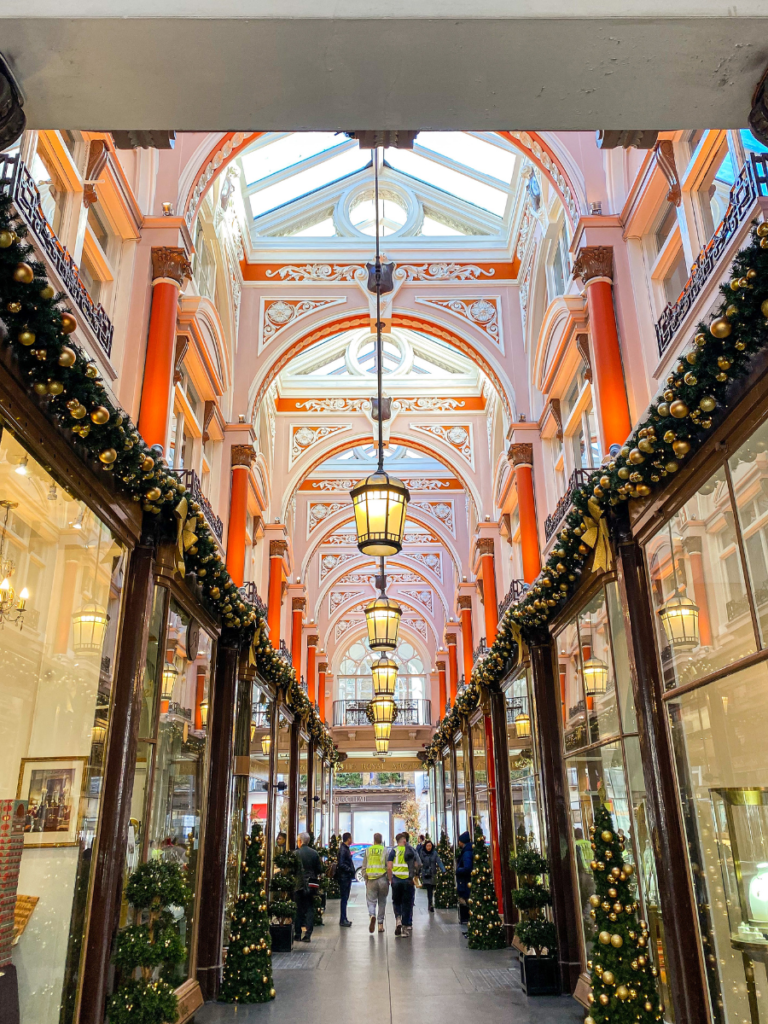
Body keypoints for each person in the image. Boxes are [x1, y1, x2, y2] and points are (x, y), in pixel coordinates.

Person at [387, 831, 421, 937]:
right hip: (408, 881)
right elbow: (418, 864)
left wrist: (390, 879)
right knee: (407, 903)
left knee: (396, 902)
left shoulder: (394, 851)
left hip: (396, 881)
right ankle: (405, 929)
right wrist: (415, 874)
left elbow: (389, 867)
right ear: (405, 841)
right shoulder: (411, 850)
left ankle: (398, 919)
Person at [294, 831, 323, 942]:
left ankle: (297, 934)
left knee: (298, 909)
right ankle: (308, 934)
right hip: (311, 884)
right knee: (309, 908)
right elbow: (319, 869)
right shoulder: (314, 853)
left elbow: (293, 869)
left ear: (300, 841)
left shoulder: (296, 854)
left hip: (299, 884)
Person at [362, 832, 389, 933]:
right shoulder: (385, 850)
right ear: (381, 840)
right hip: (382, 879)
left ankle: (372, 915)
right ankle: (380, 925)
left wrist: (366, 878)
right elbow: (388, 865)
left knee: (371, 901)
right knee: (382, 902)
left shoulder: (368, 850)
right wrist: (388, 879)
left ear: (374, 840)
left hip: (371, 880)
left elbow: (364, 866)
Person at [419, 838, 444, 912]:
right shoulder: (422, 853)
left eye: (430, 846)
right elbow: (419, 863)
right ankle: (430, 904)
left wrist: (443, 869)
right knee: (429, 889)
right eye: (427, 846)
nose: (429, 847)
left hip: (433, 874)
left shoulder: (434, 853)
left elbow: (439, 862)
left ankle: (430, 903)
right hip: (426, 874)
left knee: (432, 889)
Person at [455, 831, 473, 922]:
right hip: (465, 881)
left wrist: (458, 870)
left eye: (459, 841)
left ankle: (465, 918)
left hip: (465, 881)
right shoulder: (468, 851)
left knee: (464, 899)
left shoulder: (466, 853)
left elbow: (467, 867)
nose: (458, 843)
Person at [338, 831, 355, 927]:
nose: (352, 840)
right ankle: (343, 919)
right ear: (348, 839)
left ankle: (344, 918)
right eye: (351, 838)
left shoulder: (345, 849)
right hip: (344, 877)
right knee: (344, 898)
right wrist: (349, 870)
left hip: (345, 877)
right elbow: (341, 864)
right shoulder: (344, 850)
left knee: (345, 899)